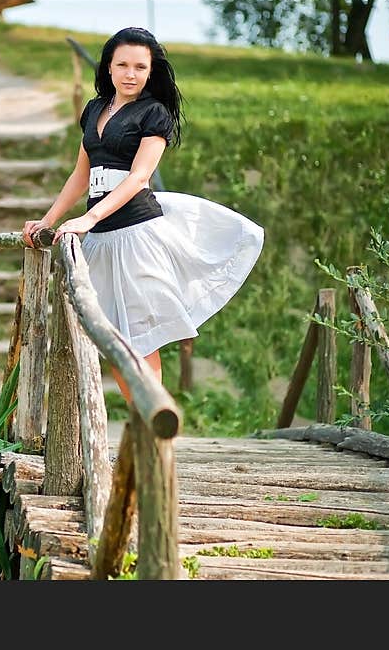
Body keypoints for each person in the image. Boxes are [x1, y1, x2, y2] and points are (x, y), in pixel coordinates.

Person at [22, 26, 264, 401]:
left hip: (137, 235)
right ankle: (142, 431)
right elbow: (80, 175)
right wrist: (49, 220)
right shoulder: (94, 109)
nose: (130, 74)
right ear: (108, 68)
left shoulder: (155, 114)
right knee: (114, 341)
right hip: (102, 241)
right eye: (122, 65)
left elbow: (139, 178)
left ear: (151, 71)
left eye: (140, 66)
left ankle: (152, 438)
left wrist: (88, 219)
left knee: (141, 339)